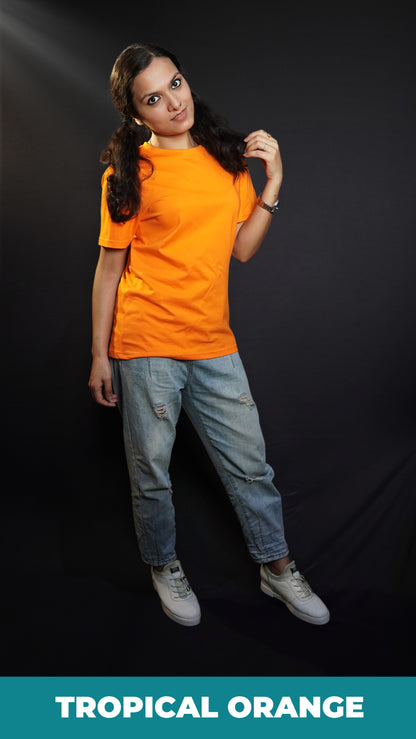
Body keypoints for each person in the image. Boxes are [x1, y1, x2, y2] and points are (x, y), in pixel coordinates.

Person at [88, 42, 329, 627]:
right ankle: (163, 564)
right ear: (136, 113)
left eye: (176, 83)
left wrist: (272, 184)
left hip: (213, 341)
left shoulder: (224, 161)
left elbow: (241, 250)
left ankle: (277, 570)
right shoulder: (130, 173)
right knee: (151, 472)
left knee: (251, 468)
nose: (173, 102)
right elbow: (109, 268)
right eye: (154, 97)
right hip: (146, 345)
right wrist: (99, 354)